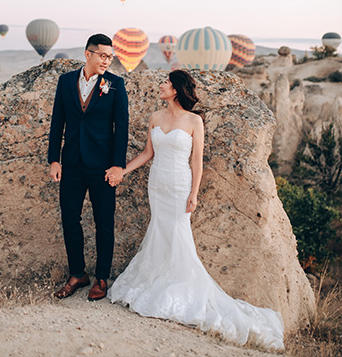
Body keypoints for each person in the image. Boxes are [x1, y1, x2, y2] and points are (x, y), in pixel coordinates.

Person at [105, 70, 284, 351]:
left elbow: (197, 160)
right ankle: (157, 279)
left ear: (176, 89)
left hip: (179, 185)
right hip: (157, 184)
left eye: (165, 82)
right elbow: (147, 154)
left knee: (178, 234)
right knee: (160, 231)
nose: (161, 85)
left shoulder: (194, 121)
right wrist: (123, 171)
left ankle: (179, 286)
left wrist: (194, 193)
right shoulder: (155, 117)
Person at [48, 33, 128, 301]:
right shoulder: (66, 81)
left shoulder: (116, 84)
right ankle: (77, 274)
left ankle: (101, 278)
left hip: (103, 166)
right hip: (70, 163)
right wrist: (54, 159)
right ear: (88, 54)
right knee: (70, 218)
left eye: (110, 56)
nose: (107, 60)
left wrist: (118, 166)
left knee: (104, 221)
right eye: (103, 55)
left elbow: (122, 128)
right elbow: (57, 120)